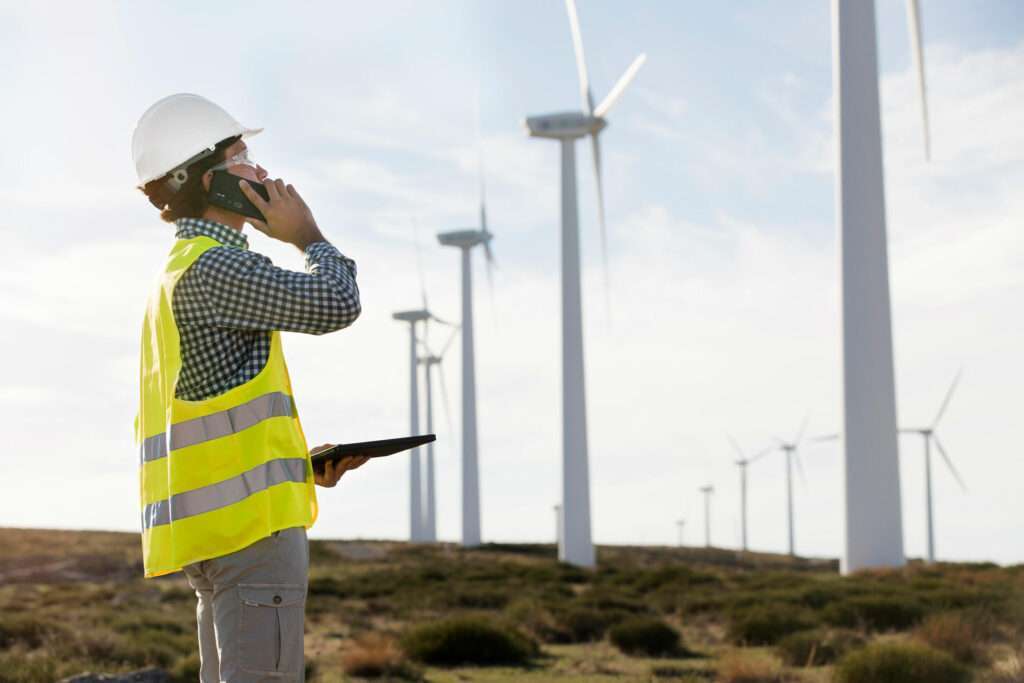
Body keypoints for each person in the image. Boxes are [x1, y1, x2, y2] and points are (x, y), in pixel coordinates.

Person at [131, 93, 366, 682]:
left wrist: (298, 467)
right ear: (204, 179)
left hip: (216, 542)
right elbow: (337, 303)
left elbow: (212, 414)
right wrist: (307, 236)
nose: (261, 171)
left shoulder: (178, 270)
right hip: (251, 543)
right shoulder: (217, 268)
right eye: (242, 155)